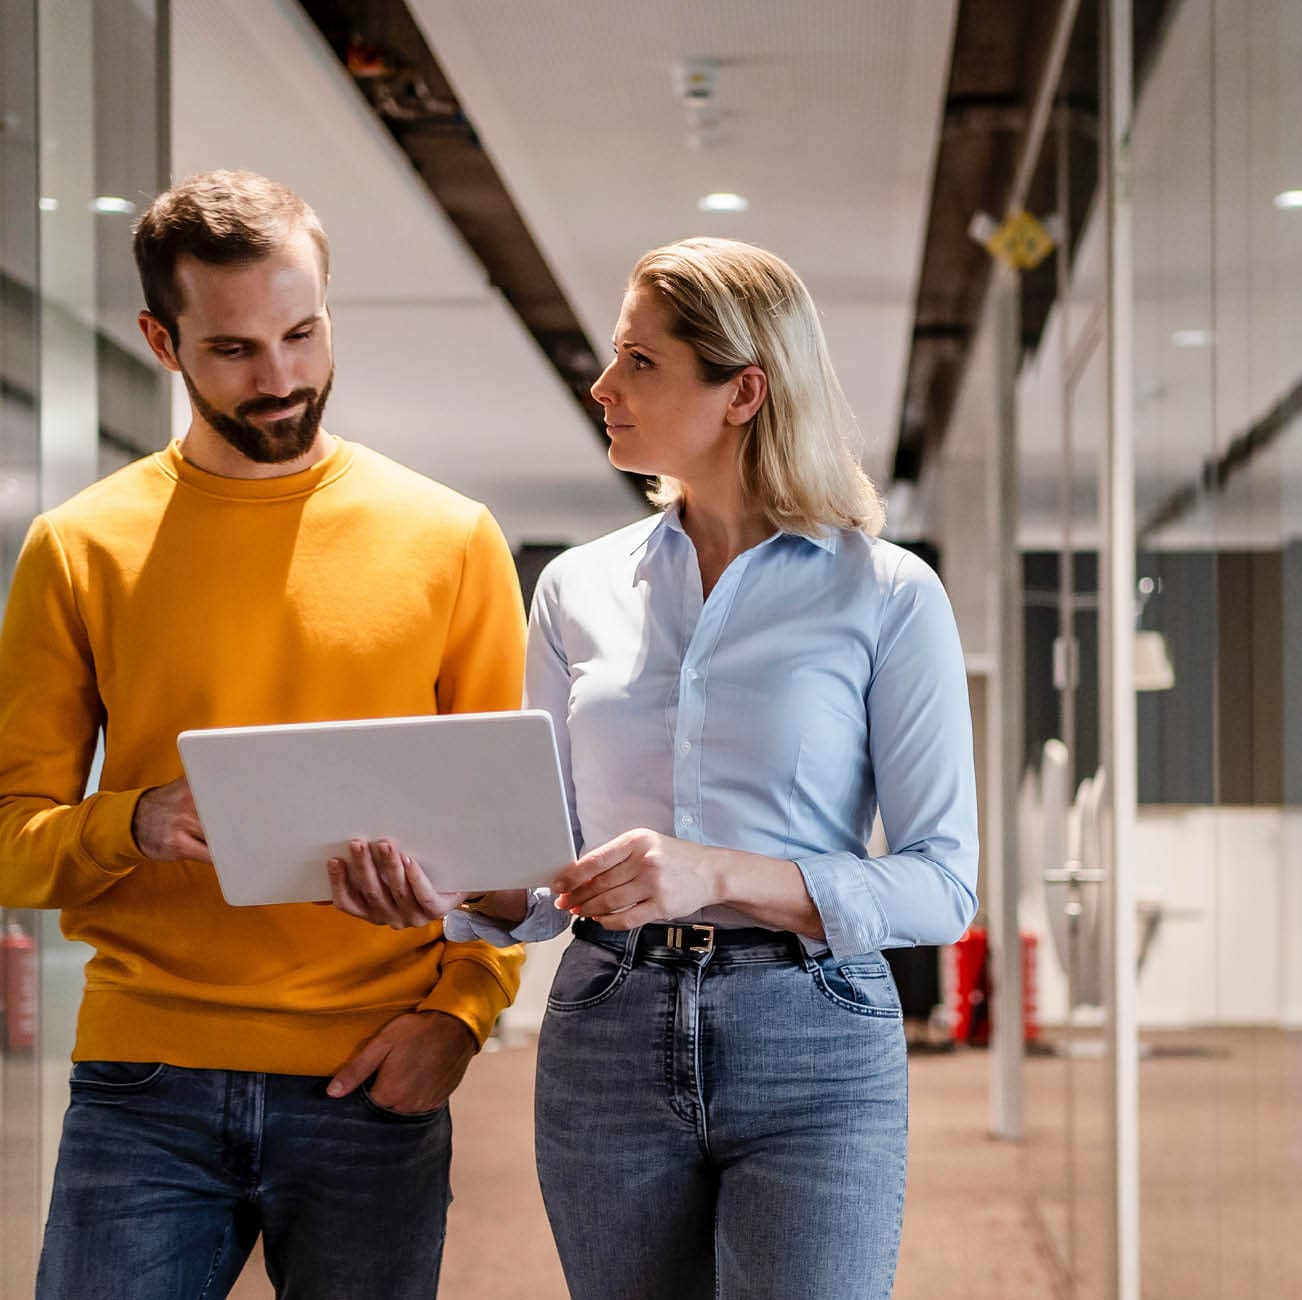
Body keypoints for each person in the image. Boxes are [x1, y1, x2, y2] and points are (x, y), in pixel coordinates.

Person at [330, 236, 980, 1299]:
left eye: (640, 361)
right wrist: (452, 882)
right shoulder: (576, 590)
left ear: (743, 392)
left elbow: (943, 884)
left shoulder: (887, 593)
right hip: (607, 1026)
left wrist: (716, 871)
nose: (603, 385)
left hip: (813, 1032)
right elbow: (537, 870)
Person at [0, 170, 529, 1300]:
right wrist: (131, 820)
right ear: (161, 339)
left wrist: (462, 1015)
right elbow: (12, 838)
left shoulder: (451, 540)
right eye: (236, 350)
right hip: (145, 1079)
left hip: (370, 1073)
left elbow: (513, 850)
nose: (282, 378)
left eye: (303, 332)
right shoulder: (79, 548)